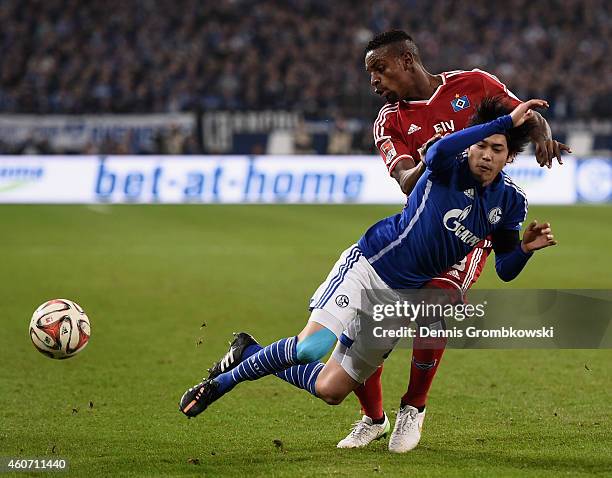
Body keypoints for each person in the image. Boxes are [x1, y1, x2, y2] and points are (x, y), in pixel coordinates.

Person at [179, 97, 558, 453]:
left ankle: (249, 351)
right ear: (471, 145)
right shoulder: (447, 164)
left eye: (498, 149)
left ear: (509, 158)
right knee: (311, 347)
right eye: (483, 145)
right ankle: (220, 384)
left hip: (401, 300)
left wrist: (525, 250)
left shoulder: (511, 201)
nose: (487, 155)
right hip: (369, 266)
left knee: (330, 390)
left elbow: (505, 269)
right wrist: (506, 121)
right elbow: (441, 150)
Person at [334, 30, 571, 452]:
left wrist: (541, 138)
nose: (373, 82)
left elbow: (527, 115)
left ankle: (414, 407)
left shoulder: (473, 84)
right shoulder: (390, 120)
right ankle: (372, 418)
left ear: (406, 60)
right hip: (420, 225)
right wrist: (439, 154)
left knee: (434, 305)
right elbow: (408, 182)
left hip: (470, 226)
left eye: (379, 69)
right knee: (371, 320)